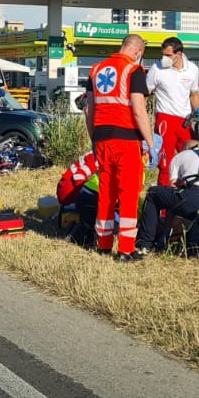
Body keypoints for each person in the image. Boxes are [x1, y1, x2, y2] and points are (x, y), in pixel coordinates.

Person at [83, 34, 156, 262]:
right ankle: (125, 249)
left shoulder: (95, 70)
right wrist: (150, 144)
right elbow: (138, 110)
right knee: (128, 192)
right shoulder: (133, 71)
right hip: (126, 139)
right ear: (138, 52)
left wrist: (94, 139)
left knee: (106, 191)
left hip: (102, 138)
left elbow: (89, 111)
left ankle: (103, 244)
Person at [145, 37, 199, 186]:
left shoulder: (192, 69)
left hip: (185, 121)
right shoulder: (157, 69)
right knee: (166, 164)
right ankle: (163, 206)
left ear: (179, 53)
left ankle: (185, 201)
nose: (165, 58)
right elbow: (145, 95)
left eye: (168, 55)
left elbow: (194, 94)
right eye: (163, 54)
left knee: (192, 159)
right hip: (165, 119)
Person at [54, 151, 101, 246]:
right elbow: (78, 176)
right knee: (92, 198)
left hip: (64, 187)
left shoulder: (94, 152)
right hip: (68, 190)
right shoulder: (95, 159)